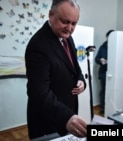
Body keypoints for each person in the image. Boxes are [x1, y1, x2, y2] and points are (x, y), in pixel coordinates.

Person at [24, 0, 87, 139]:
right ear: (51, 15)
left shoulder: (68, 39)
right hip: (47, 121)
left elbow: (75, 68)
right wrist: (66, 117)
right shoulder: (38, 45)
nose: (69, 28)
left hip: (67, 113)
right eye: (65, 21)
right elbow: (38, 92)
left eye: (74, 23)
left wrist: (81, 80)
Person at [95, 29, 114, 114]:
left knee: (112, 91)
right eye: (108, 37)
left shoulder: (118, 45)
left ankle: (112, 108)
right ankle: (103, 108)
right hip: (104, 73)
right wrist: (100, 60)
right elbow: (96, 59)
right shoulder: (103, 47)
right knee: (103, 91)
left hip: (114, 73)